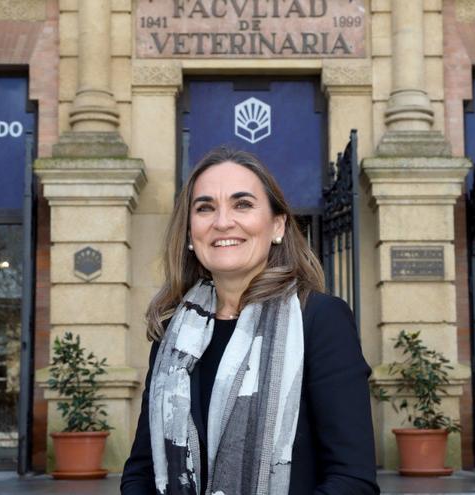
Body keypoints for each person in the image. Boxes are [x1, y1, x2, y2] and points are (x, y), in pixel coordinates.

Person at [120, 147, 379, 495]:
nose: (222, 221)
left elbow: (352, 481)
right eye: (205, 207)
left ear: (277, 225)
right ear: (189, 234)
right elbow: (141, 471)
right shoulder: (173, 334)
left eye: (242, 204)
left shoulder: (320, 321)